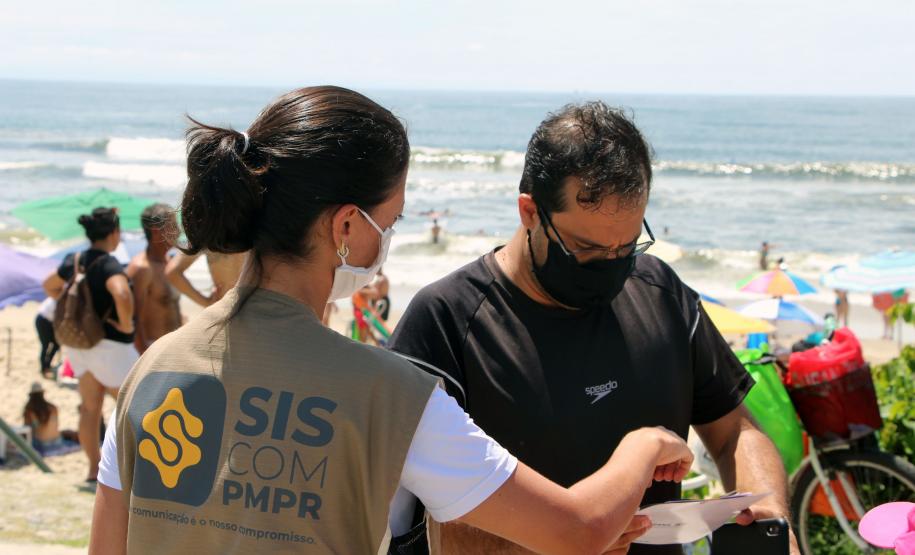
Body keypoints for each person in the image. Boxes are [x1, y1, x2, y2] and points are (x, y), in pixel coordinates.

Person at [89, 86, 693, 555]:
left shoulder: (153, 370)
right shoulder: (389, 396)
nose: (389, 239)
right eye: (393, 220)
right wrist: (642, 447)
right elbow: (577, 531)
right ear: (347, 227)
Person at [390, 102, 799, 555]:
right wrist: (569, 536)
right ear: (529, 211)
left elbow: (736, 430)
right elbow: (412, 519)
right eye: (585, 248)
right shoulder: (446, 320)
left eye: (626, 247)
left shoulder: (659, 290)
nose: (610, 265)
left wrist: (769, 516)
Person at [42, 207, 136, 482]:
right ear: (114, 233)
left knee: (89, 408)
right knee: (136, 406)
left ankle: (94, 469)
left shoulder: (74, 260)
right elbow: (122, 293)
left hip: (79, 345)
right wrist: (127, 323)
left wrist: (69, 303)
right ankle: (133, 469)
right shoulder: (108, 263)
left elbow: (49, 285)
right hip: (111, 347)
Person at [126, 203, 181, 354]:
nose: (178, 231)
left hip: (172, 349)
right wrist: (145, 356)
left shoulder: (170, 263)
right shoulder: (142, 269)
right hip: (152, 351)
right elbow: (133, 319)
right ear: (156, 232)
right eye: (173, 226)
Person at [164, 251, 246, 307]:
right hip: (254, 307)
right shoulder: (255, 229)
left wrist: (207, 303)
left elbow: (172, 271)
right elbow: (172, 272)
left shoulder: (211, 232)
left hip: (225, 308)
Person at [23, 382, 62, 453]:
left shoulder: (30, 410)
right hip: (57, 441)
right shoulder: (53, 407)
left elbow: (26, 428)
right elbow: (56, 425)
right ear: (42, 394)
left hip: (42, 443)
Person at [35, 297, 59, 379]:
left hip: (48, 321)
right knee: (45, 345)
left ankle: (47, 365)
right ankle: (44, 368)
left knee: (56, 344)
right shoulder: (58, 297)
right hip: (43, 320)